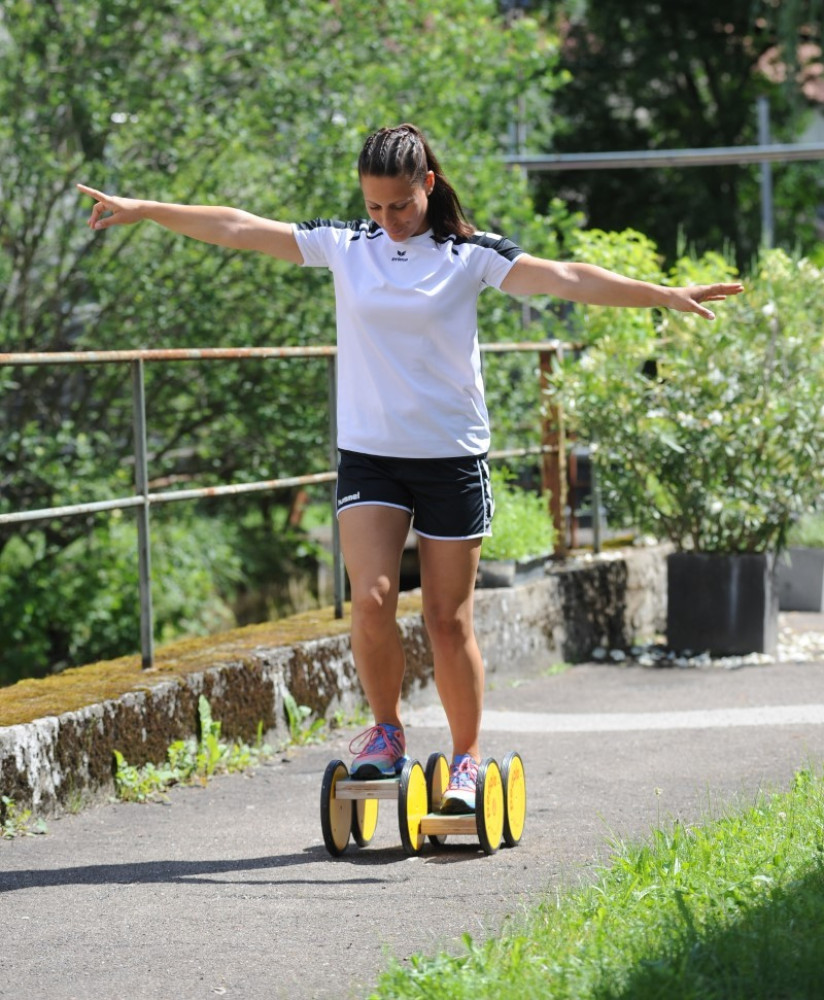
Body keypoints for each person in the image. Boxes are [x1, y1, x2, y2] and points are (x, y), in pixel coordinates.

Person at [78, 123, 743, 814]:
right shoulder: (345, 247)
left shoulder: (470, 255)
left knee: (446, 621)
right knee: (370, 600)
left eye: (399, 205)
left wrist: (662, 294)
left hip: (452, 457)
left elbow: (569, 277)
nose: (388, 221)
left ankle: (465, 758)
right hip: (371, 455)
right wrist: (146, 209)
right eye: (373, 207)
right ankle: (386, 732)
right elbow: (240, 227)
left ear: (426, 184)